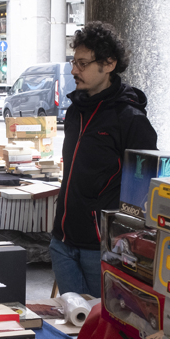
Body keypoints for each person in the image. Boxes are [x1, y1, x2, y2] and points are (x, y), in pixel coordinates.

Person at [51, 21, 157, 297]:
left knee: (100, 329)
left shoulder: (130, 120)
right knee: (71, 324)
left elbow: (144, 192)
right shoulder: (76, 110)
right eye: (74, 62)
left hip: (100, 247)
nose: (74, 70)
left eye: (83, 63)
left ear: (109, 64)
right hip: (62, 239)